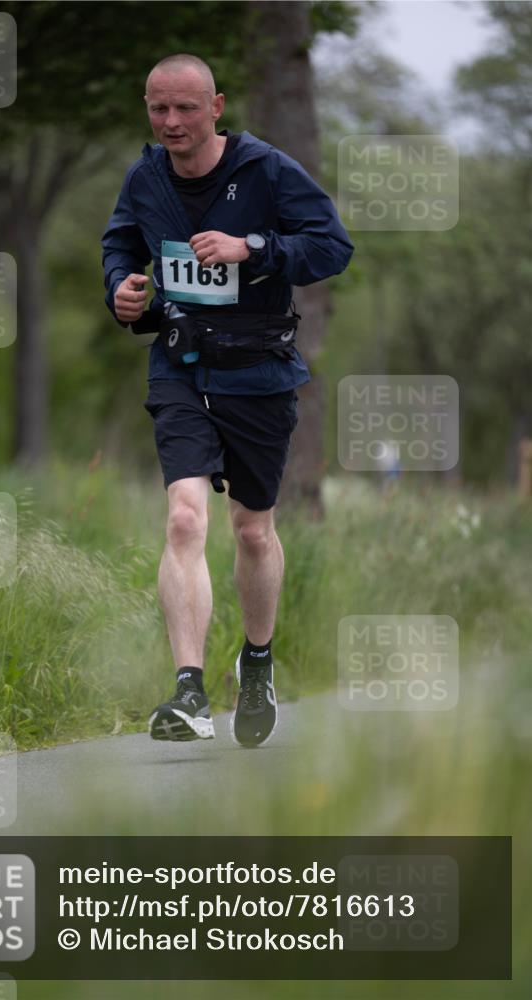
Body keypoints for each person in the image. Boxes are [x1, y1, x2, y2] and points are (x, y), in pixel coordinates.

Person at [102, 54, 353, 748]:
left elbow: (331, 246)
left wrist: (253, 247)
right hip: (179, 365)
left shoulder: (266, 170)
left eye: (185, 108)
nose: (171, 122)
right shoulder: (145, 175)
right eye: (158, 108)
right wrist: (122, 288)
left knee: (249, 529)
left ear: (215, 106)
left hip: (258, 373)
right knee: (184, 518)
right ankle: (188, 690)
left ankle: (259, 660)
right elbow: (120, 242)